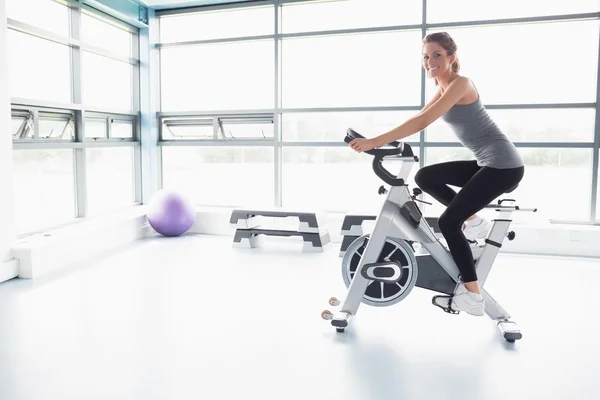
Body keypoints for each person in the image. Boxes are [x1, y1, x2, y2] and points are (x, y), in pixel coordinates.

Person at [349, 31, 524, 316]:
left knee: (448, 223)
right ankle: (476, 223)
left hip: (503, 166)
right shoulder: (443, 88)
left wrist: (374, 142)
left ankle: (472, 296)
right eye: (426, 57)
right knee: (425, 177)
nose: (430, 61)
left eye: (437, 55)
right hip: (487, 163)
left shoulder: (460, 84)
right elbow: (417, 117)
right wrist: (390, 141)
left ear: (452, 57)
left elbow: (422, 121)